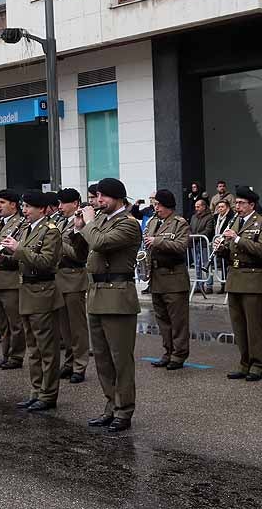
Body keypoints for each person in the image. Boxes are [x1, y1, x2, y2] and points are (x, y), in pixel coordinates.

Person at [73, 177, 141, 433]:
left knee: (120, 358)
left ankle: (124, 410)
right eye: (97, 196)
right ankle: (110, 406)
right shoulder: (99, 220)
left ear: (119, 198)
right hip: (96, 293)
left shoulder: (129, 224)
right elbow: (83, 254)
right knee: (102, 358)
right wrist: (80, 229)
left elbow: (101, 243)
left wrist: (89, 223)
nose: (98, 201)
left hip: (118, 294)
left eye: (103, 197)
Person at [2, 191, 64, 411]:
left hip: (43, 292)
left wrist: (19, 250)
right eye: (24, 206)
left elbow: (46, 262)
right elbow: (24, 258)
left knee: (47, 348)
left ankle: (48, 394)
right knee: (33, 347)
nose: (25, 211)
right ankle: (36, 390)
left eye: (28, 207)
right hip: (27, 291)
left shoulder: (51, 231)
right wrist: (6, 254)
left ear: (42, 209)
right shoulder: (28, 228)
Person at [218, 188, 262, 381]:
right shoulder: (234, 221)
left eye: (241, 203)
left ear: (251, 205)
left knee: (253, 326)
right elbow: (231, 251)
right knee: (239, 326)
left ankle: (257, 365)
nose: (237, 207)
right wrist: (221, 248)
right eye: (237, 203)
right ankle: (244, 363)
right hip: (234, 277)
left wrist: (237, 238)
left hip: (252, 278)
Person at [143, 189, 191, 370]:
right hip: (156, 277)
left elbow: (181, 246)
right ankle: (168, 351)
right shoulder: (153, 222)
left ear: (168, 206)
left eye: (159, 205)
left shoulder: (180, 223)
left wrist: (157, 241)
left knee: (178, 320)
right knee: (162, 320)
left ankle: (179, 354)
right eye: (155, 205)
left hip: (174, 277)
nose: (156, 209)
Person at [0, 189, 25, 371]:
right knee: (2, 322)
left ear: (13, 205)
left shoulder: (21, 223)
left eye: (2, 203)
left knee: (15, 322)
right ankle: (5, 354)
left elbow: (19, 247)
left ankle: (16, 356)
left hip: (10, 279)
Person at [56, 188, 89, 383]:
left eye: (63, 203)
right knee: (64, 328)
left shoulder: (82, 223)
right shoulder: (60, 221)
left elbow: (79, 255)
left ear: (75, 203)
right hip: (59, 278)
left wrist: (58, 244)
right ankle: (69, 362)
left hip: (74, 277)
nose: (59, 207)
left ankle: (80, 365)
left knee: (77, 327)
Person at [189, 198, 215, 293]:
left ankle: (209, 285)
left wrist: (195, 237)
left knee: (206, 264)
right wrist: (192, 236)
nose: (196, 208)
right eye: (195, 206)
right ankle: (199, 285)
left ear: (204, 207)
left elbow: (208, 230)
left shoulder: (209, 217)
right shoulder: (193, 217)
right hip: (194, 243)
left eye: (198, 206)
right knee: (197, 265)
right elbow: (190, 228)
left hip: (204, 244)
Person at [212, 199, 234, 293]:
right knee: (221, 265)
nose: (220, 209)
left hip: (227, 243)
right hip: (219, 243)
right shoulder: (217, 217)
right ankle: (223, 284)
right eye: (219, 207)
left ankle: (228, 284)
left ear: (227, 207)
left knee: (227, 265)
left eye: (222, 207)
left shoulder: (231, 217)